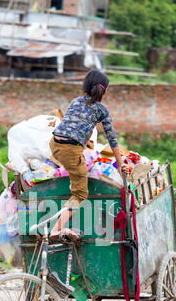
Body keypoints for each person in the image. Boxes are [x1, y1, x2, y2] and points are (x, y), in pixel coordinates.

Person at [49, 69, 129, 241]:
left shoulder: (75, 101)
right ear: (104, 91)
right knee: (80, 194)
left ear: (85, 85)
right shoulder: (101, 109)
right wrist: (120, 163)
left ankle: (71, 175)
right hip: (69, 151)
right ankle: (55, 230)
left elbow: (71, 126)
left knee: (77, 165)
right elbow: (112, 139)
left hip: (54, 144)